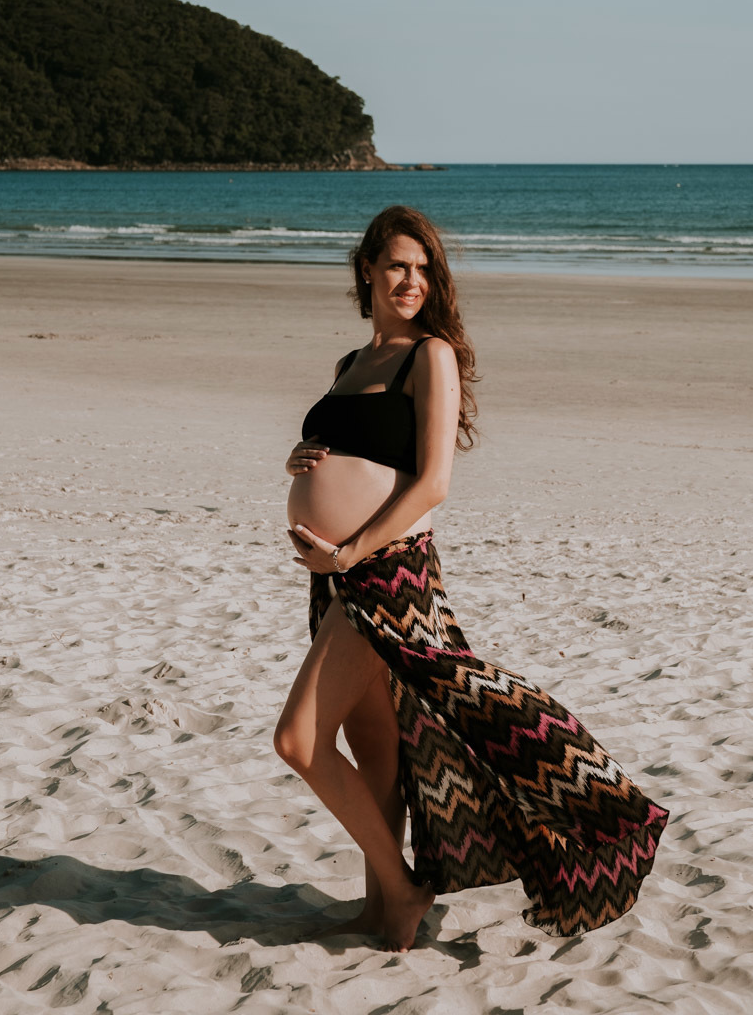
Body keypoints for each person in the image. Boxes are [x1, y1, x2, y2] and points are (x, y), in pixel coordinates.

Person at [275, 205, 668, 954]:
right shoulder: (350, 366)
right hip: (336, 576)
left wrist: (348, 553)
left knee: (297, 740)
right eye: (397, 265)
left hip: (382, 573)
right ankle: (382, 911)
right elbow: (354, 444)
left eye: (424, 269)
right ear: (367, 269)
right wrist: (303, 455)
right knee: (376, 748)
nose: (411, 280)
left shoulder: (432, 357)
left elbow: (431, 485)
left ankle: (404, 887)